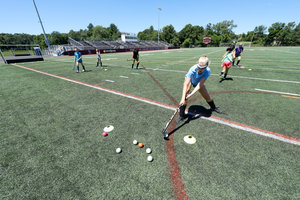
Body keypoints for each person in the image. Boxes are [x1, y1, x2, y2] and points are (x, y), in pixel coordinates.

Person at [179, 56, 221, 120]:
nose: (200, 69)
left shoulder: (208, 71)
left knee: (207, 97)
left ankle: (213, 107)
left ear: (206, 66)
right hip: (190, 81)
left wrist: (190, 95)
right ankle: (182, 115)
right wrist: (183, 98)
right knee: (184, 98)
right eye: (199, 67)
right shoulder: (193, 69)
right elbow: (185, 83)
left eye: (202, 68)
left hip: (198, 83)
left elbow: (199, 85)